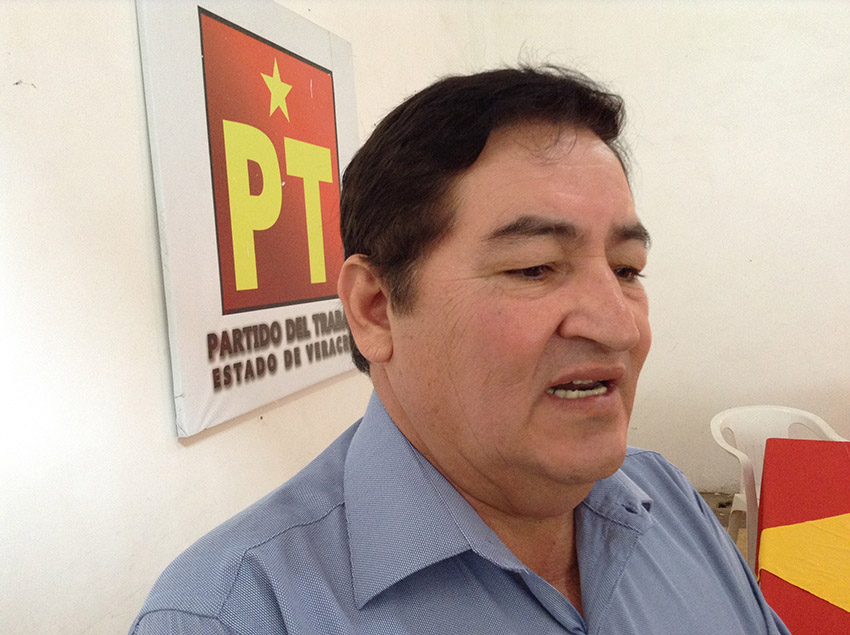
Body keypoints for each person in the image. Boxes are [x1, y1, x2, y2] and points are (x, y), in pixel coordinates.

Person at [130, 66, 789, 634]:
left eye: (626, 269)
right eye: (534, 267)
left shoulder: (666, 498)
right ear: (375, 309)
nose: (620, 326)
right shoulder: (234, 614)